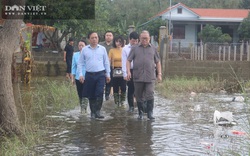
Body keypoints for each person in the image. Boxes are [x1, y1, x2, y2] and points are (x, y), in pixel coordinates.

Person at [126, 30, 162, 120]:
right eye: (142, 38)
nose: (144, 40)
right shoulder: (134, 48)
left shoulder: (153, 48)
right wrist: (128, 72)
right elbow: (128, 60)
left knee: (150, 94)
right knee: (138, 95)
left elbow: (158, 62)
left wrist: (159, 74)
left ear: (149, 38)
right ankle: (140, 113)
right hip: (137, 76)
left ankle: (150, 113)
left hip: (150, 77)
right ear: (140, 39)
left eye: (146, 38)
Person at [78, 32, 111, 119]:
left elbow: (106, 62)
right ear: (89, 39)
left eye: (96, 37)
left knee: (99, 93)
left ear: (98, 39)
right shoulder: (85, 49)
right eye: (92, 38)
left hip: (100, 74)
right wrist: (80, 74)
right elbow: (80, 63)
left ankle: (98, 111)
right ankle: (92, 112)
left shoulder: (102, 49)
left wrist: (108, 74)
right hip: (89, 74)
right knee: (91, 94)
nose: (94, 39)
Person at [122, 31, 139, 112]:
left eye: (136, 41)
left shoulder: (140, 47)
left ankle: (141, 106)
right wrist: (125, 73)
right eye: (133, 41)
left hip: (139, 71)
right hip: (130, 70)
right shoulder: (125, 49)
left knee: (139, 88)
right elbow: (124, 61)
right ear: (129, 39)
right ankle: (131, 106)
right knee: (131, 89)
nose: (135, 42)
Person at [109, 36, 126, 107]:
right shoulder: (112, 50)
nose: (118, 43)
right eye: (116, 41)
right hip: (114, 69)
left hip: (123, 69)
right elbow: (108, 60)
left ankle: (122, 101)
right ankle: (116, 102)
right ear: (114, 42)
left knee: (123, 86)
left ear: (122, 42)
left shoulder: (124, 50)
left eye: (120, 41)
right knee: (115, 86)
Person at [71, 40, 87, 113]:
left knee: (85, 93)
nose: (81, 47)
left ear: (86, 46)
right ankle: (82, 107)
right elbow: (73, 67)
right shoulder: (75, 55)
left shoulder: (88, 54)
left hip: (87, 77)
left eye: (82, 45)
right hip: (78, 77)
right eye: (79, 45)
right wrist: (72, 78)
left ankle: (84, 109)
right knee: (80, 93)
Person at [99, 31, 114, 101]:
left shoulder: (114, 45)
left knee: (109, 81)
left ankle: (107, 96)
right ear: (105, 36)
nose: (108, 36)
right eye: (107, 35)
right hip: (101, 66)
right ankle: (100, 95)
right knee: (101, 81)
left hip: (111, 66)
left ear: (112, 37)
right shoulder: (100, 45)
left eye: (110, 35)